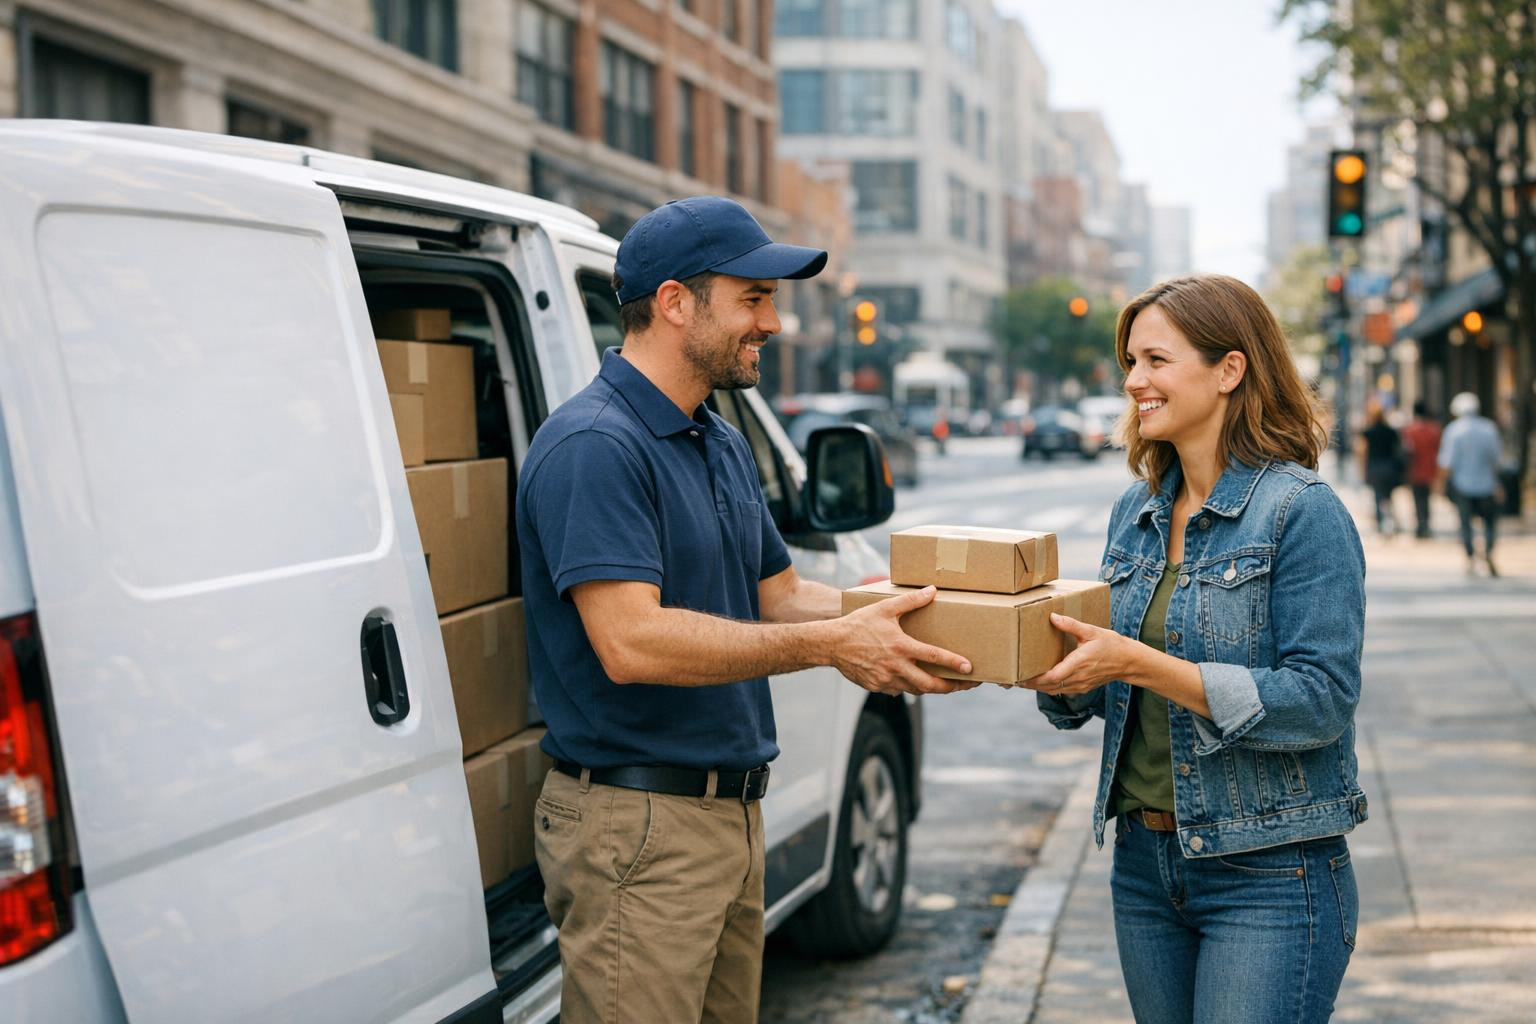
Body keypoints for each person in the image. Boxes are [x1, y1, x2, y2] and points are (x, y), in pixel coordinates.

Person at [515, 196, 975, 1024]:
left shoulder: (716, 437)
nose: (774, 322)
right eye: (753, 298)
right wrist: (835, 646)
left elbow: (783, 595)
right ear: (675, 303)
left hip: (731, 817)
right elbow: (631, 641)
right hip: (639, 827)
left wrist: (928, 617)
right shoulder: (595, 445)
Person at [1025, 275, 1367, 1023]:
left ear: (1229, 370)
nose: (1132, 381)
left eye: (1154, 360)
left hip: (1271, 872)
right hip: (1144, 869)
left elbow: (1321, 701)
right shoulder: (1136, 511)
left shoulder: (1301, 514)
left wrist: (1137, 662)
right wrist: (1046, 668)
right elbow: (1095, 696)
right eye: (1131, 362)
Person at [1438, 390, 1503, 576]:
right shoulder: (1489, 428)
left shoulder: (1454, 430)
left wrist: (1441, 484)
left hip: (1463, 485)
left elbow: (1447, 462)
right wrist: (1498, 484)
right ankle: (1489, 551)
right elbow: (1496, 459)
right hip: (1487, 484)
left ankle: (1470, 557)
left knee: (1465, 523)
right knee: (1489, 522)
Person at [1359, 405, 1404, 535]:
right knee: (1389, 496)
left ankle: (1381, 524)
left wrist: (1363, 469)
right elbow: (1398, 449)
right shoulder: (1391, 431)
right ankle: (1392, 522)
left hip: (1375, 467)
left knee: (1378, 496)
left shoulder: (1368, 432)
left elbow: (1362, 451)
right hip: (1389, 467)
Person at [1401, 402, 1443, 538]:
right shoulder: (1434, 430)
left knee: (1417, 499)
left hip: (1414, 470)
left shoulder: (1410, 430)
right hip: (1430, 469)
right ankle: (1426, 524)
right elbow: (1438, 450)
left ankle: (1420, 524)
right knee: (1426, 498)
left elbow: (1407, 451)